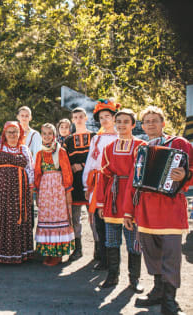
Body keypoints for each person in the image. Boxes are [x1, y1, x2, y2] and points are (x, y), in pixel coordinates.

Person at [124, 106, 193, 315]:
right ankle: (157, 291)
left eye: (155, 120)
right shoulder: (141, 148)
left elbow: (192, 169)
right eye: (147, 121)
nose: (151, 124)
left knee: (171, 255)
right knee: (151, 252)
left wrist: (185, 175)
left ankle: (170, 301)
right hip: (145, 208)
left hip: (170, 208)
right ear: (142, 126)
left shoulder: (180, 143)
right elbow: (132, 181)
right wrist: (128, 212)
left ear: (163, 123)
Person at [96, 109, 144, 292]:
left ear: (133, 124)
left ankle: (134, 279)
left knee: (134, 242)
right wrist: (100, 202)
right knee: (111, 241)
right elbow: (104, 176)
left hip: (132, 197)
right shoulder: (108, 148)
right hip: (113, 197)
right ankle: (112, 276)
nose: (122, 125)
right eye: (119, 121)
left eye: (126, 121)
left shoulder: (141, 146)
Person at [0, 121, 34, 264]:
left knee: (16, 218)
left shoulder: (24, 149)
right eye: (9, 132)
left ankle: (18, 253)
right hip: (0, 190)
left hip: (19, 192)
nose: (12, 135)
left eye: (15, 132)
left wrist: (30, 190)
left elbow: (30, 170)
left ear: (20, 134)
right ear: (5, 134)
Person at [82, 99, 119, 269]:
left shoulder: (120, 137)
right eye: (101, 117)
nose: (104, 120)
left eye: (108, 116)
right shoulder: (96, 139)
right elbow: (91, 161)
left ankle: (115, 263)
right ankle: (103, 259)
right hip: (97, 182)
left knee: (114, 222)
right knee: (99, 221)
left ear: (114, 118)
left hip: (114, 182)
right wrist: (86, 185)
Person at [34, 123, 74, 266]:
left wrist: (68, 191)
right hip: (45, 189)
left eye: (49, 133)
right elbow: (37, 174)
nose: (47, 136)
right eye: (44, 133)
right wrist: (37, 193)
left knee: (59, 218)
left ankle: (58, 254)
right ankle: (49, 252)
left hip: (57, 188)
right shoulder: (39, 153)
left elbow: (67, 172)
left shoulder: (60, 151)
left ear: (54, 135)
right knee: (46, 218)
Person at [63, 108, 96, 261]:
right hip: (74, 185)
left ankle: (99, 249)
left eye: (81, 117)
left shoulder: (95, 137)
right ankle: (78, 248)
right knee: (75, 218)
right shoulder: (68, 140)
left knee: (94, 217)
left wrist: (82, 165)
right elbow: (63, 162)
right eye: (75, 117)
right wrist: (71, 167)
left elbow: (98, 159)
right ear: (72, 120)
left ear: (86, 118)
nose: (79, 119)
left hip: (91, 183)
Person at [17, 106, 41, 228]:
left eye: (27, 115)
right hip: (14, 174)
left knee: (28, 205)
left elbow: (37, 156)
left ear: (30, 117)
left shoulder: (34, 135)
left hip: (28, 174)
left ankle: (28, 238)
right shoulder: (13, 132)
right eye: (22, 115)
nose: (24, 118)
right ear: (18, 117)